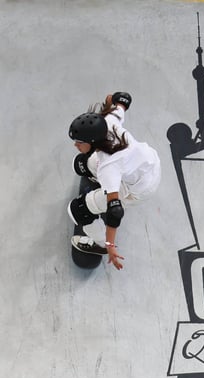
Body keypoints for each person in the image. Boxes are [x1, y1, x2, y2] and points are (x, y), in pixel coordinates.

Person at [67, 92, 161, 270]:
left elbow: (115, 211)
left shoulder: (109, 169)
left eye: (79, 142)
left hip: (138, 189)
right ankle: (92, 174)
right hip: (147, 163)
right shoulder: (109, 120)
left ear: (92, 140)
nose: (75, 145)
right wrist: (112, 100)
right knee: (84, 163)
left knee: (78, 211)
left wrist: (110, 245)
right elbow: (123, 100)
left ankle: (100, 244)